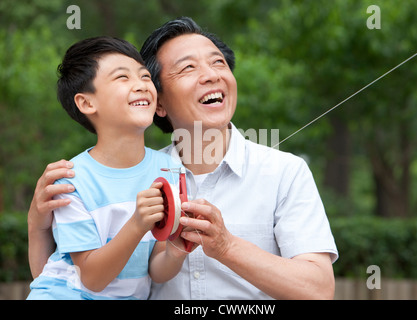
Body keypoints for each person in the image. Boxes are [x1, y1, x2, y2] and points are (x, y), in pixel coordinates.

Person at [28, 18, 338, 300]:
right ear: (158, 102)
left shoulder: (285, 172)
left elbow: (318, 290)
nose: (211, 75)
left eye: (218, 62)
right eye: (188, 68)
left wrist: (227, 247)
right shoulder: (138, 176)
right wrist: (37, 226)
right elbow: (64, 279)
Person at [27, 36, 192, 300]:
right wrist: (137, 224)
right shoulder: (70, 179)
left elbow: (156, 269)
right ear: (87, 103)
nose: (140, 85)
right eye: (122, 78)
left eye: (145, 76)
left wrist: (176, 250)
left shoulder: (170, 169)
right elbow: (92, 279)